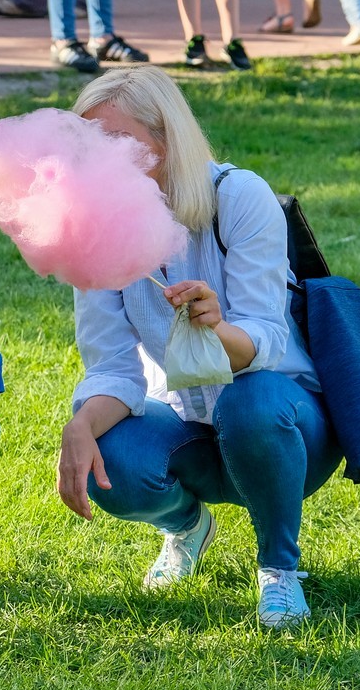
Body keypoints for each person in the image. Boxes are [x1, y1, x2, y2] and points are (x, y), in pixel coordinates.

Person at [57, 65, 340, 628]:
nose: (99, 159)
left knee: (248, 400)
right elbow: (114, 370)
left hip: (286, 425)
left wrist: (216, 326)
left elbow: (265, 341)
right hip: (186, 422)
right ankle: (186, 527)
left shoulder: (239, 196)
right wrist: (82, 424)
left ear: (166, 138)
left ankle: (279, 569)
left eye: (116, 140)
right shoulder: (95, 229)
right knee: (108, 453)